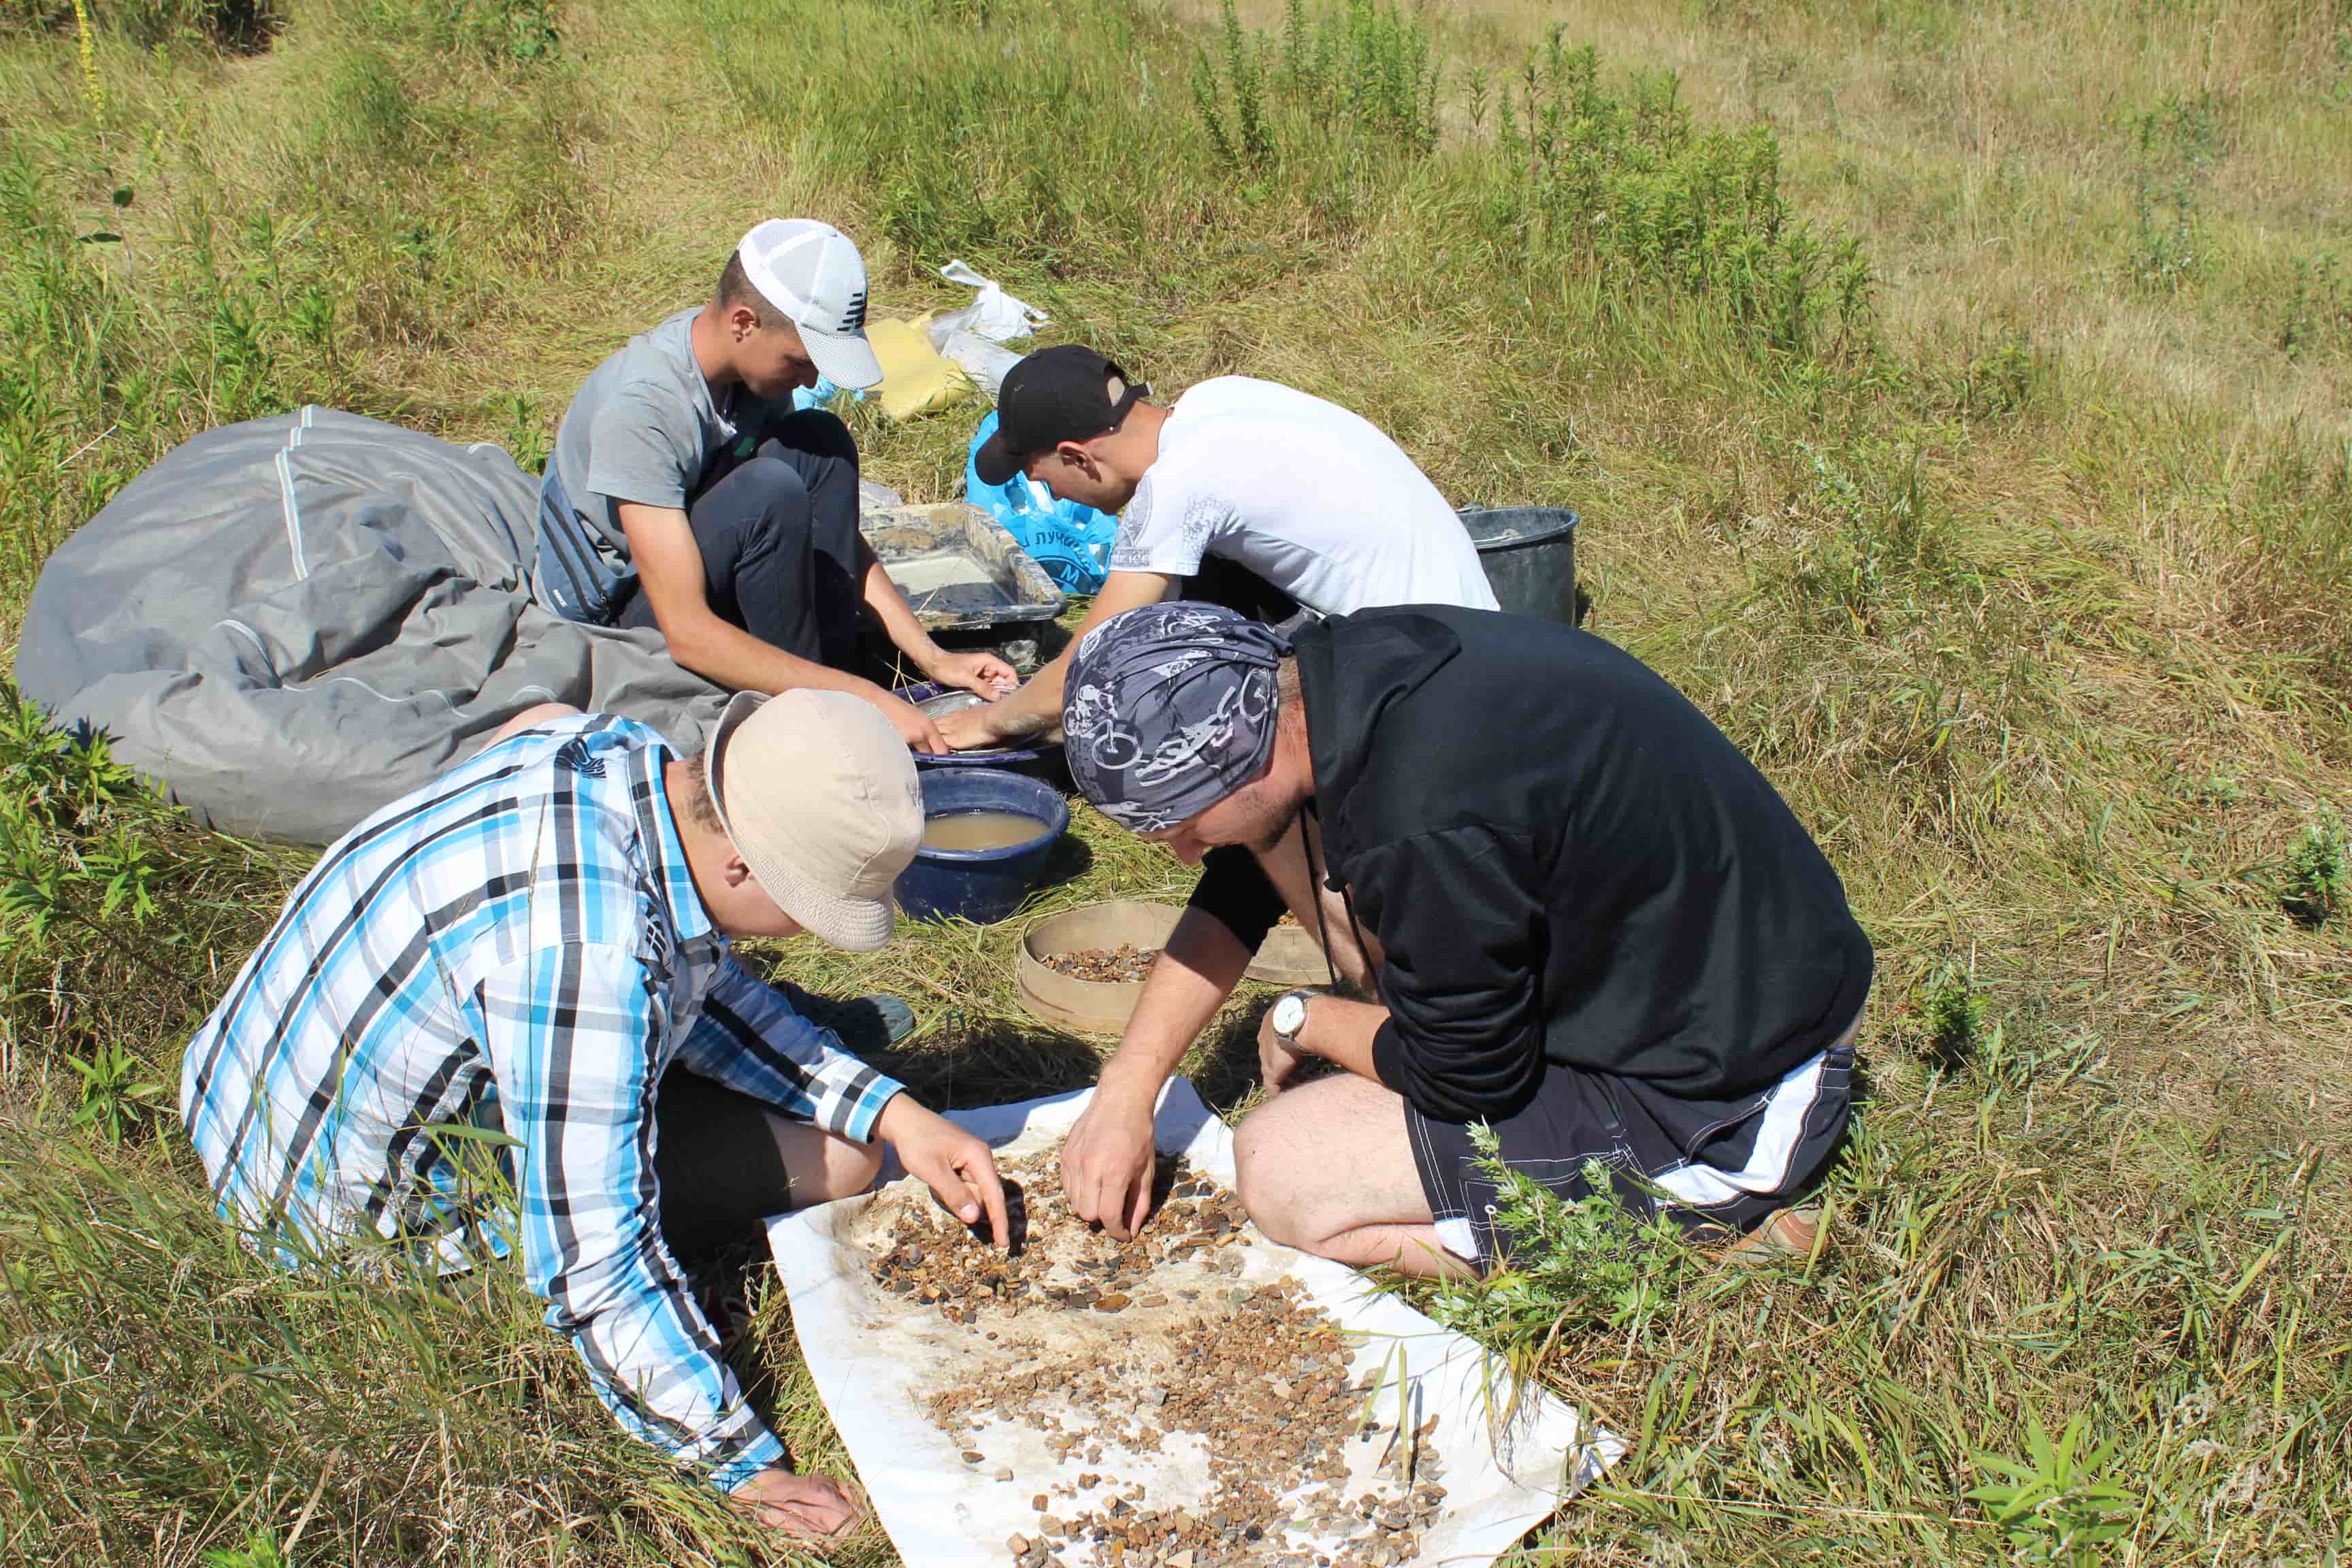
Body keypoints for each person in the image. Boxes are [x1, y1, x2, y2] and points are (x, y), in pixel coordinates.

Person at [179, 691, 1008, 1541]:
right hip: (345, 1226)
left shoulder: (603, 750)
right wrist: (740, 1467)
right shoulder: (587, 959)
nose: (803, 933)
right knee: (838, 1161)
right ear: (741, 867)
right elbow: (596, 1258)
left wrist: (896, 1111)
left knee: (854, 1126)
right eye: (808, 908)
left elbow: (702, 980)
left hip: (239, 1089)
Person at [1054, 602, 1873, 1273]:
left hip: (1734, 1091)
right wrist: (1128, 1089)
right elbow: (1244, 871)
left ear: (1241, 757)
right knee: (1270, 843)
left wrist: (1308, 1017)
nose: (1189, 849)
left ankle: (1698, 1230)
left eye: (1182, 825)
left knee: (1281, 1170)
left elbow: (1468, 1078)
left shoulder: (1421, 820)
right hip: (1719, 975)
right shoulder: (1337, 678)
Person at [535, 218, 1013, 753]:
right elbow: (687, 632)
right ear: (744, 322)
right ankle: (823, 715)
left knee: (820, 442)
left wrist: (932, 656)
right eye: (801, 361)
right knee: (769, 490)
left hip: (693, 554)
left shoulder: (747, 373)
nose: (810, 381)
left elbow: (834, 534)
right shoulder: (644, 408)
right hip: (621, 617)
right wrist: (863, 698)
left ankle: (829, 673)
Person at [934, 344, 1496, 753]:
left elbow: (1089, 659)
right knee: (1181, 592)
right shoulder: (1218, 399)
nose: (1053, 494)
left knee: (1140, 644)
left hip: (1433, 688)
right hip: (1479, 636)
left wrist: (992, 722)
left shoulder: (1181, 484)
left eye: (1043, 477)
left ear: (1078, 456)